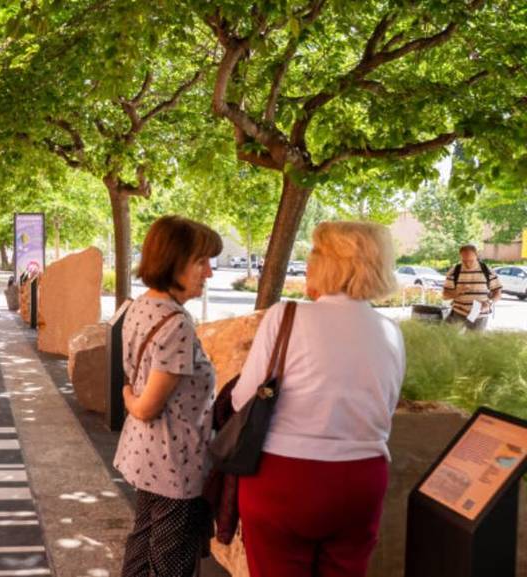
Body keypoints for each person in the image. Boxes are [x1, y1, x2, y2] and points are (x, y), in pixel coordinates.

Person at [232, 221, 405, 577]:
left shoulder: (286, 317)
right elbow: (384, 408)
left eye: (313, 253)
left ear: (327, 263)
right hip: (361, 478)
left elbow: (242, 400)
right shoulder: (390, 331)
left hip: (284, 477)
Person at [115, 215, 222, 577]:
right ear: (174, 262)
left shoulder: (142, 305)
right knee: (170, 561)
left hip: (146, 456)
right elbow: (146, 406)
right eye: (201, 262)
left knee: (143, 545)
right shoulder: (176, 324)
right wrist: (129, 399)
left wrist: (131, 394)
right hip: (174, 464)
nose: (209, 272)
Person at [443, 244, 503, 331]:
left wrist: (489, 302)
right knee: (446, 340)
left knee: (474, 343)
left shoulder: (487, 270)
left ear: (476, 255)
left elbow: (498, 292)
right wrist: (456, 292)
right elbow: (445, 295)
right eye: (464, 261)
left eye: (471, 261)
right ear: (460, 257)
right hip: (458, 314)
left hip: (480, 317)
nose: (467, 264)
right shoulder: (454, 271)